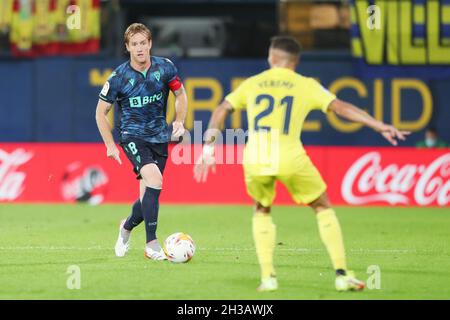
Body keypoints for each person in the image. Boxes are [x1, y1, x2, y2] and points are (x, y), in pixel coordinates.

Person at [193, 36, 409, 292]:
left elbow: (221, 110)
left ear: (272, 58)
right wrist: (378, 125)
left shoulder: (252, 83)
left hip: (256, 157)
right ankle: (342, 275)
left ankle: (268, 278)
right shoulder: (306, 85)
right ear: (295, 62)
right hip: (289, 155)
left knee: (261, 209)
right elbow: (341, 108)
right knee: (322, 205)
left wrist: (208, 146)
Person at [95, 23, 188, 260]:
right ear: (127, 47)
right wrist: (109, 145)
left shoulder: (165, 68)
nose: (139, 48)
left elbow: (180, 94)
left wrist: (179, 120)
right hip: (132, 137)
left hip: (159, 137)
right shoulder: (118, 77)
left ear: (150, 44)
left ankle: (126, 226)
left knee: (149, 193)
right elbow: (100, 113)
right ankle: (151, 244)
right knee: (155, 179)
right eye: (134, 44)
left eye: (143, 43)